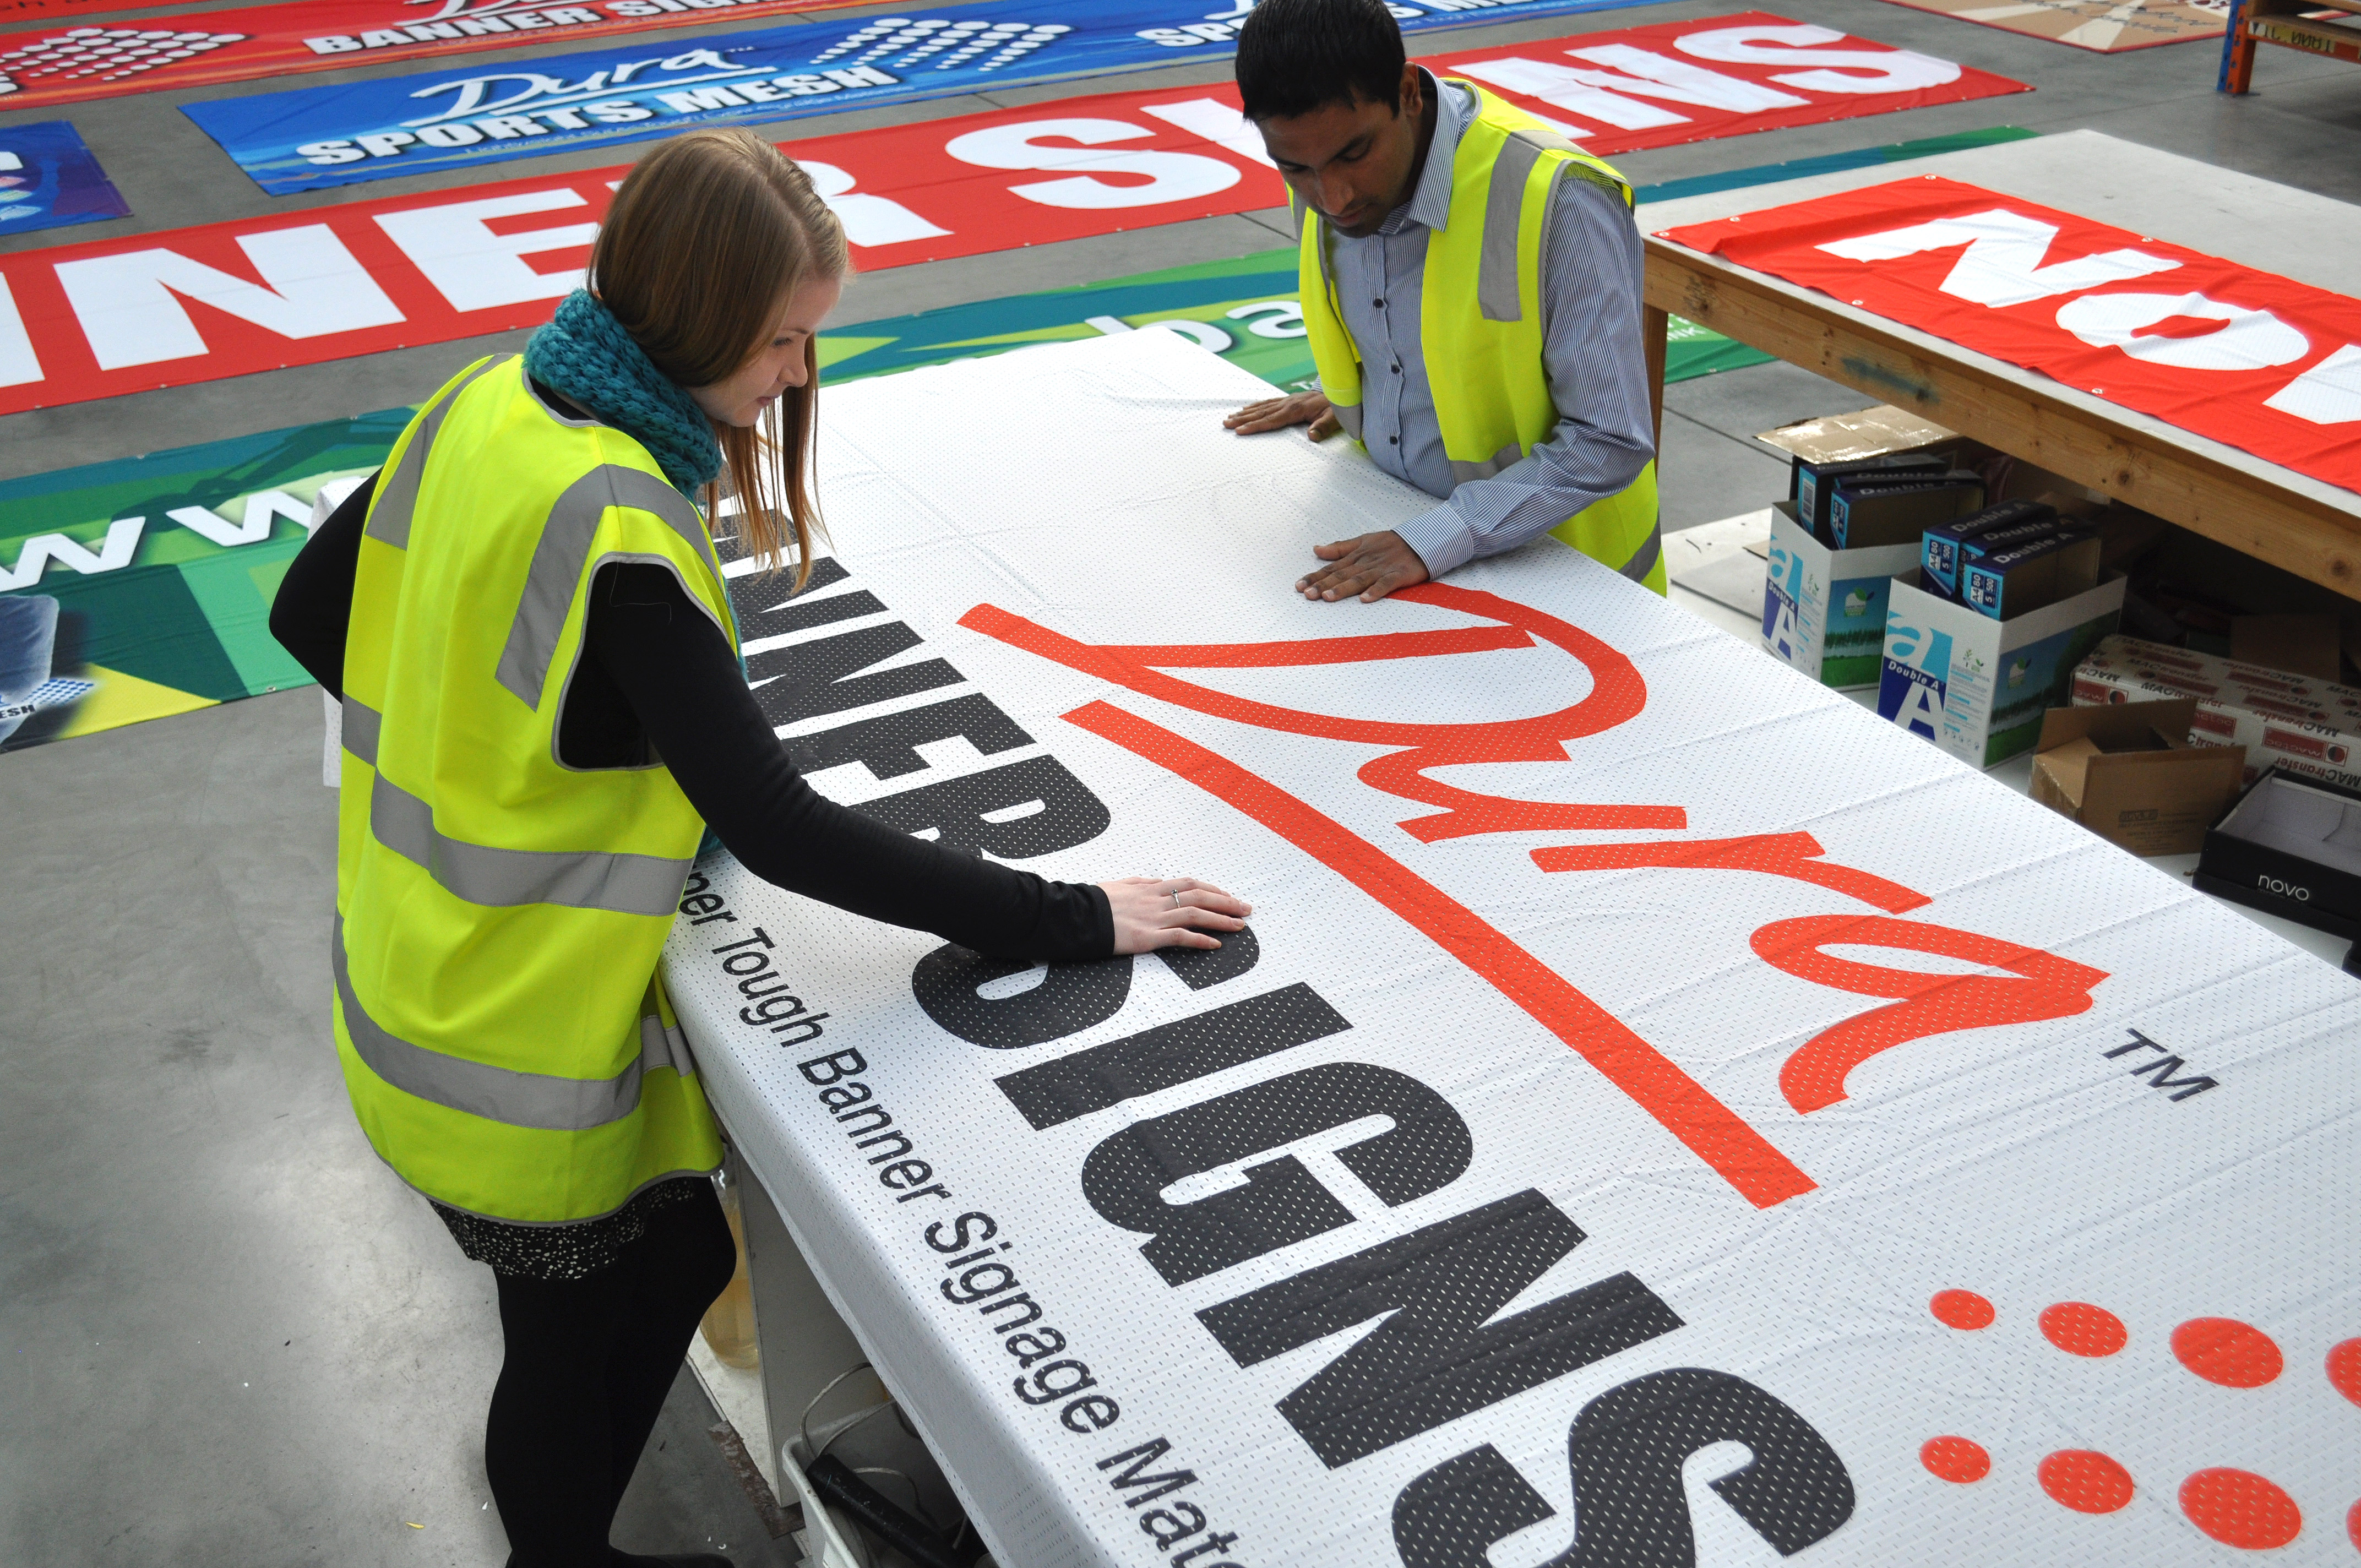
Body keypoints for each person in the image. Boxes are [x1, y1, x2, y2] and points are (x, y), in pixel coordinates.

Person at [269, 128, 1249, 1568]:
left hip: (414, 966)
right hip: (507, 1046)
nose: (798, 373)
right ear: (700, 314)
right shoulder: (616, 529)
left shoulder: (488, 403)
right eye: (786, 338)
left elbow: (310, 614)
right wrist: (1072, 916)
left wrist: (520, 737)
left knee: (670, 1260)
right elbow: (779, 827)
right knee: (563, 1340)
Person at [1221, 0, 1662, 605]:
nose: (1333, 196)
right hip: (1406, 550)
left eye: (1354, 155)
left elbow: (1611, 440)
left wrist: (1437, 537)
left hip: (1572, 589)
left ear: (1407, 94)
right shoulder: (1321, 159)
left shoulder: (1559, 200)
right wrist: (1377, 393)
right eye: (1295, 167)